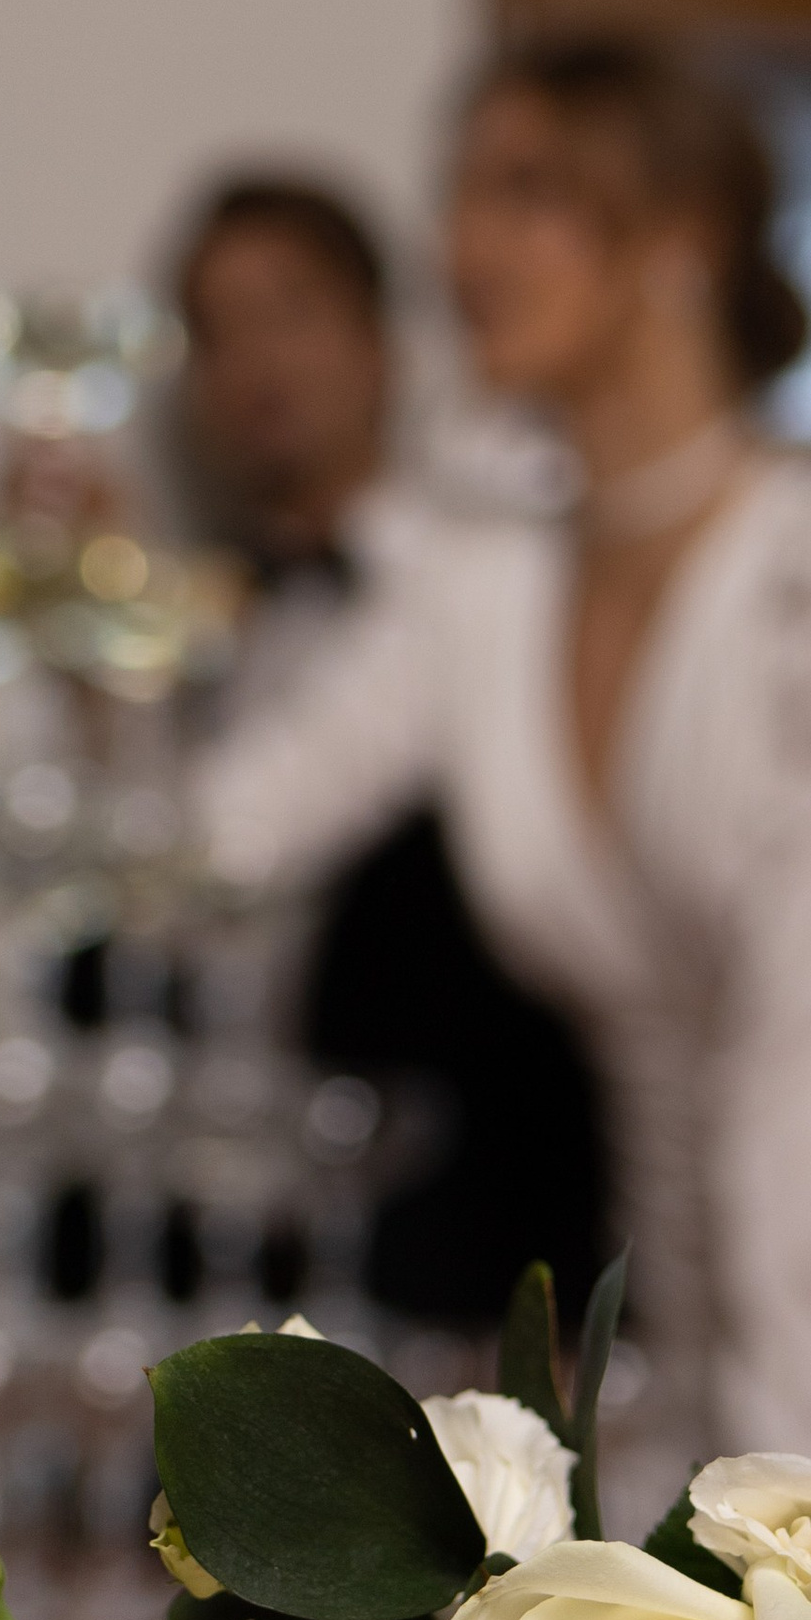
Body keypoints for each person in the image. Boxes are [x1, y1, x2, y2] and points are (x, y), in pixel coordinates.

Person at [194, 41, 811, 1620]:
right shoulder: (483, 585)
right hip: (682, 1354)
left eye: (528, 191)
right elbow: (224, 836)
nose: (464, 246)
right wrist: (65, 641)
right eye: (462, 193)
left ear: (681, 236)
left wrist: (779, 1495)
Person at [171, 171, 607, 1330]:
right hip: (233, 1267)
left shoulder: (482, 585)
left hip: (465, 1270)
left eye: (288, 312)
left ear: (380, 342)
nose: (256, 360)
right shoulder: (191, 634)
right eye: (217, 331)